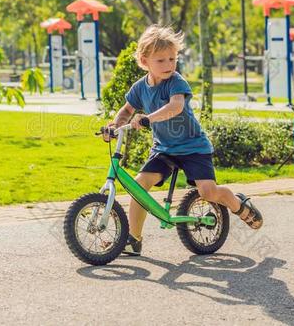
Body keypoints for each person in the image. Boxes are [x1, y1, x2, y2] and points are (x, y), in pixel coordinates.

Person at [103, 25, 263, 256]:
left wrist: (148, 118)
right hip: (164, 149)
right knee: (138, 187)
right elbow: (126, 110)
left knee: (208, 192)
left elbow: (176, 107)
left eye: (172, 59)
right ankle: (133, 239)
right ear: (144, 60)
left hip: (193, 148)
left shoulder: (176, 82)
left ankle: (237, 203)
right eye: (161, 60)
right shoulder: (140, 87)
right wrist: (114, 126)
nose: (168, 65)